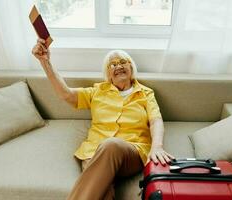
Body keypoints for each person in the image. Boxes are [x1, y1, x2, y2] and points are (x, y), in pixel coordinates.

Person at [32, 38, 174, 200]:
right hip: (94, 153)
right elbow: (66, 94)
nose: (119, 66)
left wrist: (157, 146)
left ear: (131, 67)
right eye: (113, 64)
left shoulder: (146, 93)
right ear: (107, 73)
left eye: (123, 62)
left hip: (131, 152)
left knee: (111, 144)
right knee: (104, 194)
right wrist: (45, 63)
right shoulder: (97, 91)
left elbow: (156, 120)